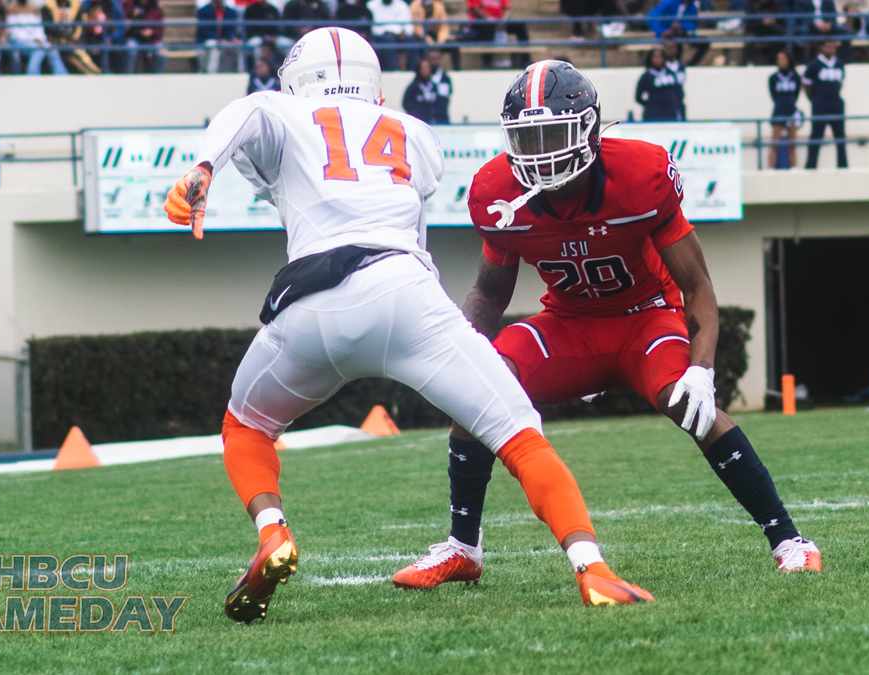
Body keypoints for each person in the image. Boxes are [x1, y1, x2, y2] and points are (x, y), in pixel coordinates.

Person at [162, 29, 652, 619]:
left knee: (246, 426)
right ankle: (591, 568)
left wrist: (201, 168)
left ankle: (273, 533)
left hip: (312, 298)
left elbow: (246, 112)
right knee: (518, 432)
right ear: (374, 86)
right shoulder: (416, 134)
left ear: (297, 81)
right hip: (404, 290)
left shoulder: (279, 108)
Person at [391, 60, 821, 591]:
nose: (540, 152)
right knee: (484, 382)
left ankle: (789, 540)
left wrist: (702, 370)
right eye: (528, 138)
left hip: (645, 320)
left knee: (687, 403)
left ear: (590, 130)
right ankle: (462, 548)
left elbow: (698, 287)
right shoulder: (496, 190)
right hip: (569, 325)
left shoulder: (639, 175)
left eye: (553, 134)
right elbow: (488, 294)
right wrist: (459, 354)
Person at [803, 39, 847, 169]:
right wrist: (816, 100)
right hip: (820, 104)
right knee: (816, 137)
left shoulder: (839, 64)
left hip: (836, 103)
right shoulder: (813, 65)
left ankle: (843, 166)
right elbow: (806, 86)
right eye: (828, 46)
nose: (831, 49)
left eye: (833, 46)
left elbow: (840, 83)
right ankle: (811, 167)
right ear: (822, 47)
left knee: (840, 137)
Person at [6, 0, 69, 75]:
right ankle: (32, 76)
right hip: (18, 42)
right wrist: (33, 40)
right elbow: (13, 32)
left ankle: (63, 77)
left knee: (51, 49)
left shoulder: (33, 9)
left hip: (36, 41)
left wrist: (40, 39)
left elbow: (39, 28)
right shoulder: (11, 9)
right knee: (39, 49)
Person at [465, 0, 529, 69]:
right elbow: (475, 9)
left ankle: (525, 60)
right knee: (488, 26)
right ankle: (487, 63)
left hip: (499, 20)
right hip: (481, 22)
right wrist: (491, 20)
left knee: (520, 26)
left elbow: (506, 8)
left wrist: (502, 20)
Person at [43, 0, 102, 74]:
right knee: (71, 55)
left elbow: (81, 26)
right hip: (54, 41)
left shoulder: (77, 6)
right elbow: (49, 28)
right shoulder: (48, 6)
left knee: (79, 55)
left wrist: (74, 39)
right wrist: (65, 38)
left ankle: (94, 72)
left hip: (72, 42)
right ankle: (91, 73)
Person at [768, 49, 803, 168]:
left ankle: (794, 168)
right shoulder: (773, 78)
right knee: (774, 143)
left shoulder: (796, 77)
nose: (780, 61)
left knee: (792, 144)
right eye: (778, 59)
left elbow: (797, 94)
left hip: (791, 111)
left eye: (783, 59)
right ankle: (771, 168)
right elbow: (773, 95)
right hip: (778, 111)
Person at [647, 0, 710, 66]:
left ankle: (690, 65)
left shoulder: (692, 6)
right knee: (676, 41)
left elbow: (693, 24)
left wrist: (681, 26)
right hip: (666, 34)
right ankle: (675, 66)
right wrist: (662, 30)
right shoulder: (669, 2)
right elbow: (651, 17)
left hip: (682, 33)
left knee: (704, 42)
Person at [634, 45, 687, 121]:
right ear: (650, 59)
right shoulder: (646, 77)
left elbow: (679, 91)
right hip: (653, 114)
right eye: (655, 57)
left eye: (660, 56)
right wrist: (651, 104)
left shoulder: (671, 73)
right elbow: (638, 97)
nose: (658, 59)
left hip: (671, 113)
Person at [367, 0, 422, 71]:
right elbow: (374, 29)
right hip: (382, 36)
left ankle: (413, 71)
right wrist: (387, 32)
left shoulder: (402, 5)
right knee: (389, 40)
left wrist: (404, 32)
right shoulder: (372, 5)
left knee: (412, 40)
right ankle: (394, 71)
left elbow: (409, 26)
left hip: (400, 35)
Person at [409, 0, 458, 69]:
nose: (428, 8)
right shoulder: (414, 6)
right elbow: (417, 28)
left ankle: (457, 70)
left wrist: (439, 43)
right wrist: (429, 41)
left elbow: (444, 27)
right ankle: (423, 70)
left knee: (454, 45)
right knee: (419, 44)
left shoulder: (438, 6)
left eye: (429, 6)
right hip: (421, 37)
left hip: (436, 37)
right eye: (426, 6)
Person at [196, 0, 241, 73]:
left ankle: (240, 71)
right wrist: (219, 40)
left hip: (225, 40)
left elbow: (231, 29)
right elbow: (205, 30)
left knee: (239, 45)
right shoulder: (203, 11)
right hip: (207, 41)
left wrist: (232, 38)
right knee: (213, 44)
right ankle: (211, 73)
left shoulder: (230, 12)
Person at [124, 0, 167, 73]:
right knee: (131, 48)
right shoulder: (130, 4)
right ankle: (128, 76)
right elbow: (123, 19)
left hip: (151, 40)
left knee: (162, 53)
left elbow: (160, 29)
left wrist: (152, 32)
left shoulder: (156, 9)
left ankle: (159, 79)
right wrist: (128, 24)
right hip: (134, 37)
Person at [402, 56, 445, 123]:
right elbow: (405, 103)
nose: (426, 70)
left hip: (432, 122)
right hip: (417, 123)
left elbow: (438, 104)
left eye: (427, 68)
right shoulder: (413, 87)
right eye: (423, 68)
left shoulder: (434, 87)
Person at [743, 0, 787, 65]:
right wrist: (762, 22)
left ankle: (773, 61)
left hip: (772, 32)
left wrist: (773, 19)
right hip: (756, 31)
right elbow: (749, 24)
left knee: (776, 36)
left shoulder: (773, 4)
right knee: (776, 31)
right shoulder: (752, 5)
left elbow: (780, 17)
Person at [242, 0, 283, 66]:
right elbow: (248, 29)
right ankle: (259, 69)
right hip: (256, 37)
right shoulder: (250, 9)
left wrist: (273, 36)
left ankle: (282, 68)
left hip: (272, 37)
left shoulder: (273, 9)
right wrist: (263, 37)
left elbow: (277, 27)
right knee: (256, 43)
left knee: (286, 43)